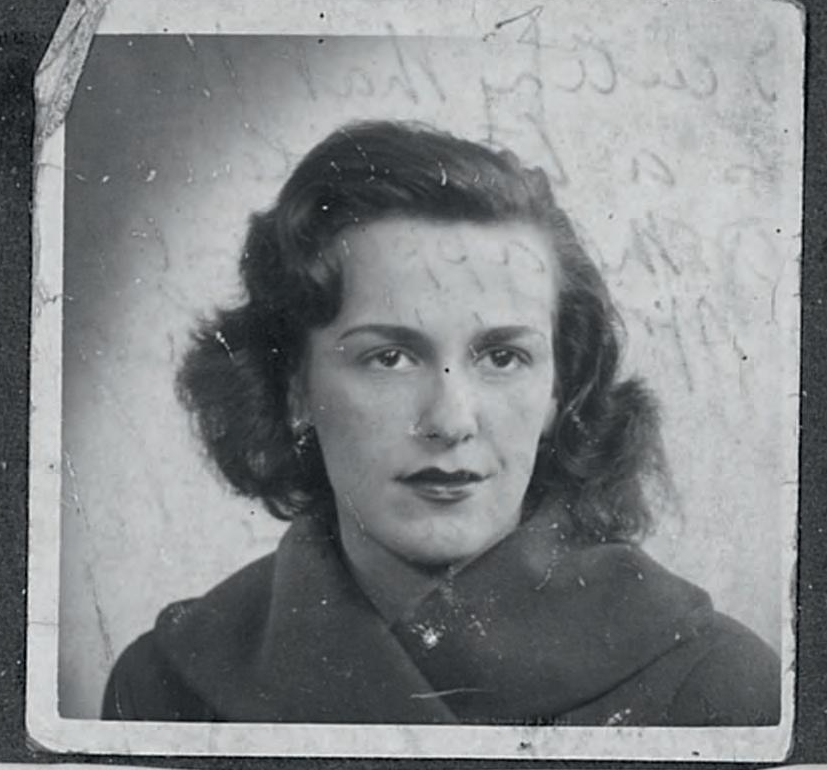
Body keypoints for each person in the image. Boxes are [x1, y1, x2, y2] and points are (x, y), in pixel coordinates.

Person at [102, 120, 780, 726]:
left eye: (503, 357)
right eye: (389, 358)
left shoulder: (716, 685)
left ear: (559, 390)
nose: (450, 421)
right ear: (294, 389)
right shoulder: (168, 682)